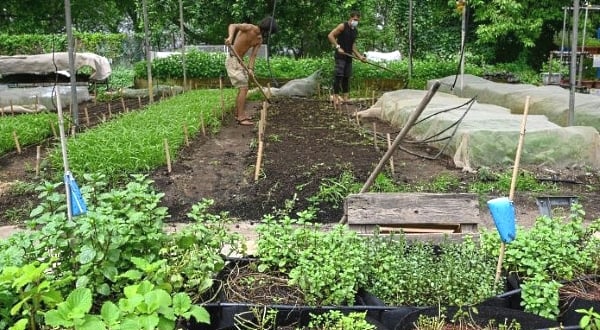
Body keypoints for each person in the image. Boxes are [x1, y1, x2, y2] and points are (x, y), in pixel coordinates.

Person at [224, 16, 277, 126]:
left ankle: (239, 113)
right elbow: (232, 25)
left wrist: (250, 69)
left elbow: (253, 56)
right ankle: (241, 117)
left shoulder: (259, 40)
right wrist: (230, 37)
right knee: (244, 88)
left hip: (240, 62)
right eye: (268, 32)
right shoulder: (249, 28)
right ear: (265, 29)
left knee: (243, 89)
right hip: (233, 59)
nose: (266, 35)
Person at [327, 10, 367, 108]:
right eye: (354, 19)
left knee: (346, 77)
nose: (356, 21)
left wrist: (360, 56)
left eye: (357, 20)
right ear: (350, 18)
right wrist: (338, 47)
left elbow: (352, 46)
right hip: (340, 56)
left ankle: (345, 99)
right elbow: (330, 36)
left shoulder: (355, 31)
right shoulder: (342, 26)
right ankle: (336, 98)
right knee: (338, 76)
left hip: (348, 57)